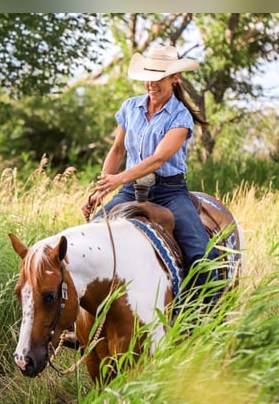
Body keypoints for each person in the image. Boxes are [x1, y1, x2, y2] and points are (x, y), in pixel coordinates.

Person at [82, 44, 218, 303]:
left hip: (169, 192)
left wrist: (118, 179)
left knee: (201, 255)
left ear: (174, 78)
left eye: (158, 78)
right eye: (147, 78)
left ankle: (202, 316)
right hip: (129, 191)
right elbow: (117, 150)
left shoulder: (181, 116)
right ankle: (82, 323)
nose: (151, 84)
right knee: (90, 239)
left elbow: (158, 160)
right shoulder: (130, 108)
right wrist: (100, 191)